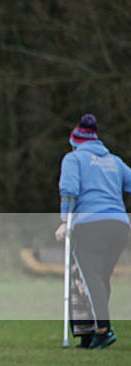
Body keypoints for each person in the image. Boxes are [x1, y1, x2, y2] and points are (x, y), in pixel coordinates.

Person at [55, 113, 131, 349]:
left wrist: (65, 221)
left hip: (90, 225)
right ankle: (93, 333)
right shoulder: (115, 162)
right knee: (101, 278)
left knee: (91, 278)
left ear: (75, 142)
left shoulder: (73, 159)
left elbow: (69, 190)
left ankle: (103, 330)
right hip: (119, 226)